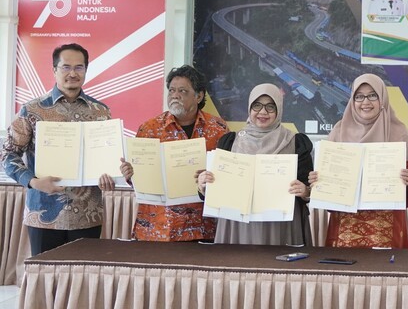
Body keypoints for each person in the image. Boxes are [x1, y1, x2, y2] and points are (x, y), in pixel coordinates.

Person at [2, 43, 116, 255]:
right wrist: (34, 182)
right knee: (45, 274)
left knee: (83, 275)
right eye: (66, 67)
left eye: (79, 67)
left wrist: (110, 176)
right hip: (43, 213)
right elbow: (8, 154)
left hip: (87, 215)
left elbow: (107, 158)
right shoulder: (32, 110)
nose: (73, 73)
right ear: (54, 70)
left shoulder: (101, 112)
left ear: (86, 70)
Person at [308, 74, 408, 248]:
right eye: (359, 96)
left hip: (386, 223)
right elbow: (327, 178)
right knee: (343, 265)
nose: (365, 102)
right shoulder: (338, 131)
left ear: (382, 98)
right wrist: (319, 180)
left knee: (384, 265)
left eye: (372, 95)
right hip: (345, 222)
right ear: (352, 100)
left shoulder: (400, 133)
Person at [119, 65, 229, 241]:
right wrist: (130, 174)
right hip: (159, 228)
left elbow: (226, 176)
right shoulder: (150, 128)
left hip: (202, 227)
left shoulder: (218, 129)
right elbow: (138, 181)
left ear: (199, 96)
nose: (175, 95)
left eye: (182, 91)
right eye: (171, 90)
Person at [197, 83, 313, 245]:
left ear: (279, 109)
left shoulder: (296, 142)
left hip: (280, 227)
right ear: (249, 108)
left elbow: (308, 189)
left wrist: (305, 191)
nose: (263, 112)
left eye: (270, 107)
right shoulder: (230, 141)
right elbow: (217, 190)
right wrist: (204, 187)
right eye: (257, 106)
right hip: (238, 226)